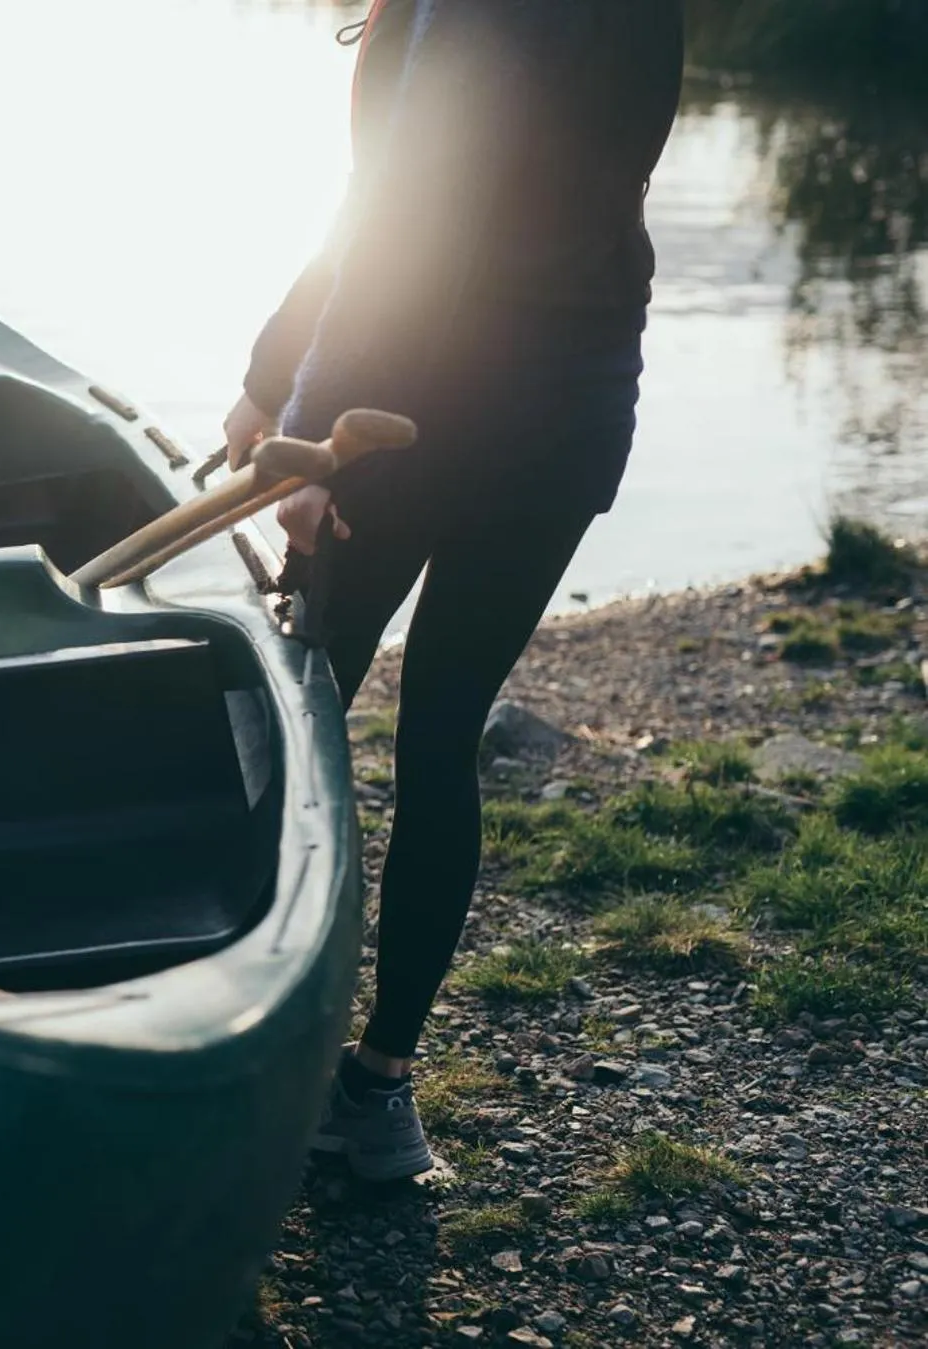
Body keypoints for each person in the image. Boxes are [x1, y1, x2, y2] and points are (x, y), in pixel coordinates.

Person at [222, 0, 684, 1181]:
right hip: (573, 422)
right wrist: (274, 373)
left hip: (421, 416)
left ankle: (229, 1039)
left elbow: (405, 218)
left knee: (292, 700)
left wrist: (319, 428)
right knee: (436, 740)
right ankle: (376, 1092)